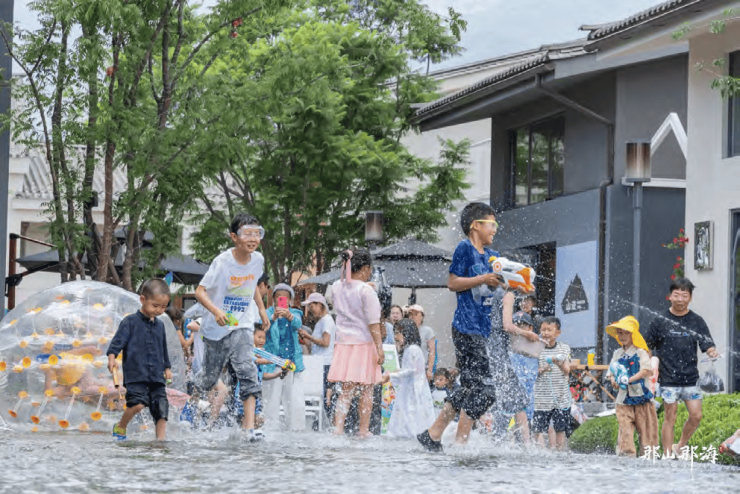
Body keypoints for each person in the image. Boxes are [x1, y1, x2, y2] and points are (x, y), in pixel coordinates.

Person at [418, 202, 508, 452]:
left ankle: (433, 434)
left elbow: (501, 283)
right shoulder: (464, 248)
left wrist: (517, 283)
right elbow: (452, 283)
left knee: (469, 386)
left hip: (480, 329)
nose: (495, 229)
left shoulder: (491, 255)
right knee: (486, 390)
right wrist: (484, 278)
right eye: (492, 224)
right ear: (475, 225)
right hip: (466, 328)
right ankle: (461, 442)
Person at [192, 213, 271, 442]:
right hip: (217, 327)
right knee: (209, 377)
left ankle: (249, 428)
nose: (253, 238)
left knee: (247, 370)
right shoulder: (222, 262)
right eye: (247, 233)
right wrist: (216, 311)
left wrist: (261, 310)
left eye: (257, 233)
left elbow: (252, 283)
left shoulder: (258, 259)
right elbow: (199, 291)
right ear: (234, 237)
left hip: (243, 323)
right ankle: (190, 404)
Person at [645, 278, 719, 459]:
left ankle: (680, 445)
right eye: (676, 295)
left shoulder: (696, 321)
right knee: (670, 416)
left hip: (691, 378)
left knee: (696, 416)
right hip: (668, 379)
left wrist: (712, 352)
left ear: (690, 298)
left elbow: (707, 344)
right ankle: (667, 454)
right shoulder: (660, 320)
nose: (680, 299)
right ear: (670, 296)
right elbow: (647, 345)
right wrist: (649, 366)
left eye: (684, 295)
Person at [328, 247, 384, 438]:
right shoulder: (367, 291)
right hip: (364, 344)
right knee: (367, 388)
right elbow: (374, 323)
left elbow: (347, 289)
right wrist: (379, 348)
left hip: (343, 344)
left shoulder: (336, 286)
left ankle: (338, 428)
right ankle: (363, 429)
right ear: (366, 268)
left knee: (346, 390)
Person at [107, 279, 172, 441]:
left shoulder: (160, 326)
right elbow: (117, 343)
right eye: (155, 306)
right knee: (137, 404)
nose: (159, 310)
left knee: (161, 409)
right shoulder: (130, 322)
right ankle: (121, 425)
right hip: (136, 374)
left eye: (163, 307)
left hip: (156, 375)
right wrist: (112, 357)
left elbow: (163, 347)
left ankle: (160, 442)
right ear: (143, 299)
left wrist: (167, 367)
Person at [486, 288, 538, 445]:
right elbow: (507, 326)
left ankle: (502, 440)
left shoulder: (492, 292)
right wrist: (527, 334)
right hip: (499, 353)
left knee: (506, 398)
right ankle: (524, 444)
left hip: (491, 349)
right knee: (517, 398)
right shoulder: (508, 293)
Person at [605, 316, 659, 457]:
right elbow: (611, 372)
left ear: (633, 335)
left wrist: (628, 380)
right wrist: (613, 381)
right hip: (623, 401)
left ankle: (648, 460)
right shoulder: (617, 353)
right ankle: (626, 459)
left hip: (643, 400)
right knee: (625, 433)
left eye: (626, 333)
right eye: (619, 333)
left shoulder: (641, 352)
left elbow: (646, 371)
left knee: (647, 434)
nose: (622, 336)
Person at [262, 283, 306, 431]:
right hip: (273, 363)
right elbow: (263, 327)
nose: (282, 300)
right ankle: (269, 430)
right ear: (274, 299)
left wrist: (289, 316)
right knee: (271, 401)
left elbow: (298, 323)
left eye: (285, 298)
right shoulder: (267, 313)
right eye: (279, 297)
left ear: (290, 300)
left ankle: (296, 431)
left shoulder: (295, 312)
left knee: (295, 401)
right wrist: (273, 317)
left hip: (292, 364)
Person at [384, 318, 435, 437]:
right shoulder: (408, 349)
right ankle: (403, 432)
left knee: (412, 410)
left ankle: (412, 433)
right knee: (405, 410)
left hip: (414, 389)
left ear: (408, 333)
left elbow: (412, 370)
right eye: (395, 333)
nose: (396, 336)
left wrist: (392, 375)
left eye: (398, 333)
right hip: (408, 388)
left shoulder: (413, 349)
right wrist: (398, 372)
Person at [532, 317, 571, 450]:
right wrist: (543, 369)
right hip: (541, 398)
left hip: (560, 397)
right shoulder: (536, 348)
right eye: (543, 330)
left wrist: (559, 364)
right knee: (538, 429)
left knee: (560, 428)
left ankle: (559, 453)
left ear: (557, 333)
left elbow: (567, 371)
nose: (546, 333)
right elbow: (531, 372)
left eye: (549, 330)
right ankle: (538, 452)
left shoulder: (564, 348)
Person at [298, 292, 336, 418]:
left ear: (319, 305)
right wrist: (304, 339)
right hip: (319, 363)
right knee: (319, 395)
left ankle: (324, 421)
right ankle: (319, 421)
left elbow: (325, 342)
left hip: (324, 363)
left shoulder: (326, 321)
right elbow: (315, 344)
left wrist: (308, 336)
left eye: (311, 306)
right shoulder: (321, 321)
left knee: (323, 395)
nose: (309, 310)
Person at [508, 311, 539, 424]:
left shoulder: (538, 346)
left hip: (531, 405)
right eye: (515, 325)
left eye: (521, 325)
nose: (517, 329)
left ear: (530, 328)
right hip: (512, 406)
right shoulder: (507, 351)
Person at [407, 305, 438, 382]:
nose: (413, 317)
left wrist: (429, 370)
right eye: (411, 314)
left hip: (422, 367)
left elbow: (432, 351)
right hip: (408, 367)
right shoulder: (406, 331)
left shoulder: (427, 331)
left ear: (422, 317)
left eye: (416, 314)